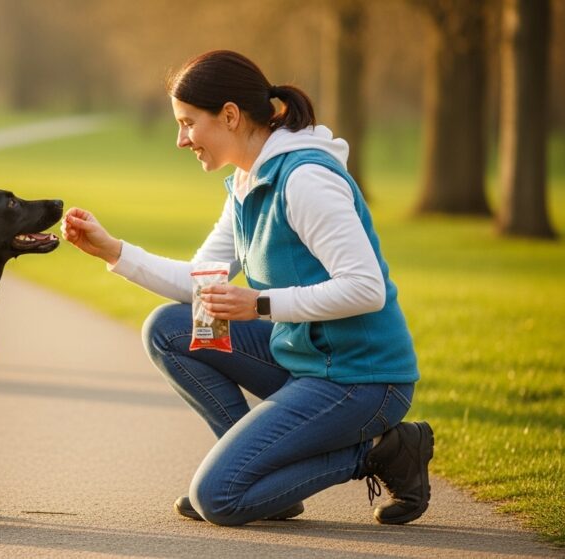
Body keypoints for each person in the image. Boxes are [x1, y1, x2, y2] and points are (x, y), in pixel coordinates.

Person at [61, 50, 433, 527]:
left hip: (361, 378)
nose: (181, 139)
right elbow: (200, 282)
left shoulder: (305, 180)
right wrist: (113, 251)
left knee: (218, 499)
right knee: (170, 329)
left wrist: (258, 304)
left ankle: (382, 450)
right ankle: (261, 481)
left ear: (230, 116)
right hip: (303, 360)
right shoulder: (246, 182)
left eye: (188, 123)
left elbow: (366, 288)